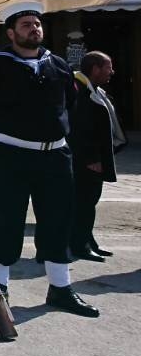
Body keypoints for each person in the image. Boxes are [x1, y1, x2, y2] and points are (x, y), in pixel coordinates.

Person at [0, 4, 97, 317]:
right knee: (5, 219)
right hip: (10, 154)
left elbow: (71, 105)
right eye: (26, 25)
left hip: (55, 155)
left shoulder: (58, 64)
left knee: (58, 220)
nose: (34, 29)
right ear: (11, 33)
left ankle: (60, 289)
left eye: (37, 24)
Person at [69, 50, 126, 262]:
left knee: (88, 203)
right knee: (84, 203)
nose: (112, 72)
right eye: (108, 67)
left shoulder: (94, 90)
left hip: (93, 159)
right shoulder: (79, 91)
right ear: (95, 69)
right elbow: (79, 129)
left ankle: (87, 240)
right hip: (86, 161)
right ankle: (80, 246)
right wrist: (91, 158)